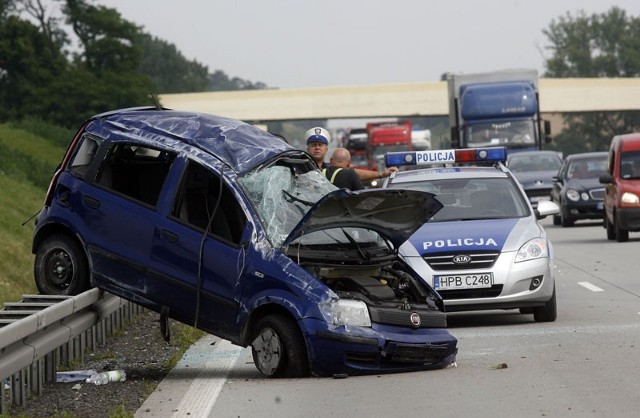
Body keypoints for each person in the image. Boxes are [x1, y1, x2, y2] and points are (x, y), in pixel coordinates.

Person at [304, 127, 398, 181]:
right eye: (313, 145)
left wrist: (381, 174)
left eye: (320, 145)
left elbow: (353, 173)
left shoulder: (330, 169)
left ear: (326, 150)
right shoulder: (299, 167)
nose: (317, 147)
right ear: (308, 149)